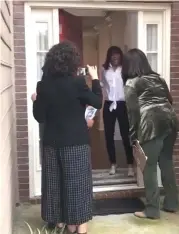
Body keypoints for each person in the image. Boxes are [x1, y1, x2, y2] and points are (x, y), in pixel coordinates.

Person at [31, 41, 102, 234]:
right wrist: (95, 79)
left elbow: (39, 117)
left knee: (55, 183)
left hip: (52, 142)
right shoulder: (78, 83)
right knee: (77, 184)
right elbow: (97, 102)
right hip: (76, 142)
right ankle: (78, 225)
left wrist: (35, 101)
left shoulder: (43, 86)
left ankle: (59, 221)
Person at [122, 48, 179, 219]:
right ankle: (172, 203)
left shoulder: (131, 83)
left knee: (149, 167)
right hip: (170, 123)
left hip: (152, 126)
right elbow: (170, 100)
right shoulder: (158, 78)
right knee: (167, 162)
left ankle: (152, 209)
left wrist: (133, 138)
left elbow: (132, 113)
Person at [101, 46, 134, 176]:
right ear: (109, 56)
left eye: (117, 54)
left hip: (122, 104)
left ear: (121, 56)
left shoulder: (125, 70)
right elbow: (102, 85)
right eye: (112, 55)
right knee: (108, 136)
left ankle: (130, 165)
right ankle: (113, 164)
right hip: (109, 105)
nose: (115, 57)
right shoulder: (104, 70)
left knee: (125, 135)